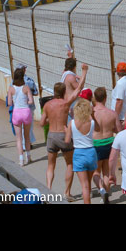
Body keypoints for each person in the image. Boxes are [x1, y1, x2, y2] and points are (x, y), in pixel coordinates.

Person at [40, 63, 88, 201]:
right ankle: (67, 193)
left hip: (51, 136)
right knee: (70, 164)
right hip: (63, 134)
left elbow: (42, 123)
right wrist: (84, 72)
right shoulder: (66, 103)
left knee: (51, 165)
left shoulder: (47, 105)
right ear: (63, 92)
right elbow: (79, 89)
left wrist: (51, 119)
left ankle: (48, 190)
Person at [65, 98, 99, 204]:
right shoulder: (92, 122)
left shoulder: (72, 123)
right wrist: (92, 115)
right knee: (88, 183)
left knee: (84, 185)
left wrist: (68, 131)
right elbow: (98, 129)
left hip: (79, 153)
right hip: (91, 153)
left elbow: (67, 141)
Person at [91, 87, 121, 204]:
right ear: (105, 98)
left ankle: (102, 190)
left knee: (95, 172)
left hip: (96, 144)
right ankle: (105, 194)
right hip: (109, 143)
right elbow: (119, 130)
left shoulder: (91, 113)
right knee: (106, 172)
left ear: (95, 97)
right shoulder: (112, 113)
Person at [7, 68, 34, 166]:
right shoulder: (26, 87)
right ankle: (29, 156)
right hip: (26, 112)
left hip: (16, 112)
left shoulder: (11, 88)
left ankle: (21, 160)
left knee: (19, 138)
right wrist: (26, 102)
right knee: (27, 137)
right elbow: (31, 101)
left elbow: (9, 103)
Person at [111, 62, 126, 128]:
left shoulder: (120, 83)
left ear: (117, 71)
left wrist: (115, 118)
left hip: (121, 118)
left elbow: (119, 102)